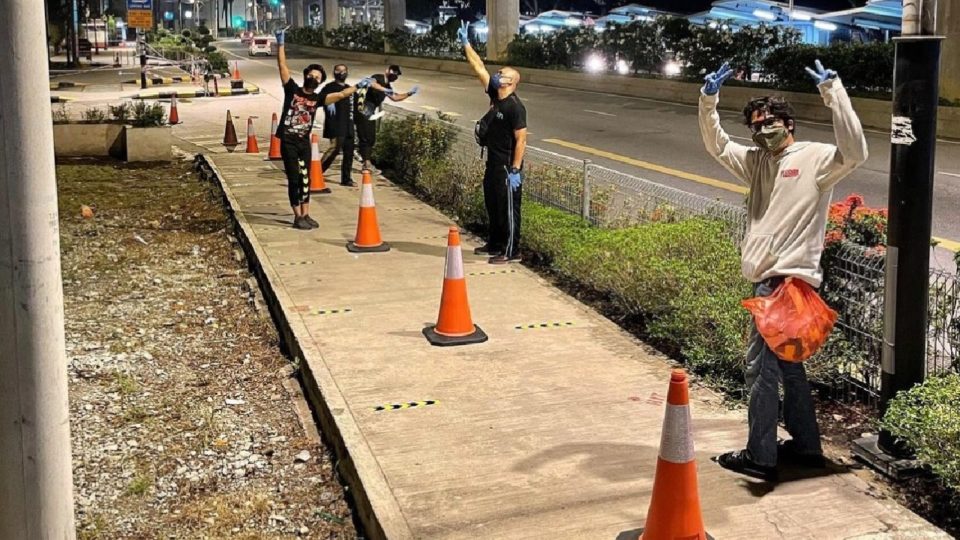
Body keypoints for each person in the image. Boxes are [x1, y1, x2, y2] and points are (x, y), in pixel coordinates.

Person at [698, 60, 868, 482]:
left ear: (788, 123)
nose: (762, 129)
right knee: (790, 369)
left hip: (783, 284)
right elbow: (718, 146)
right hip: (772, 281)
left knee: (761, 371)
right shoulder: (756, 161)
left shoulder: (814, 158)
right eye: (756, 125)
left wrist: (835, 92)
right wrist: (708, 101)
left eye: (769, 121)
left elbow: (856, 152)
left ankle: (760, 456)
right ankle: (808, 447)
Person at [274, 30, 366, 230]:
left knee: (306, 178)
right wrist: (280, 43)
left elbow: (341, 94)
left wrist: (359, 86)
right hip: (288, 141)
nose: (313, 78)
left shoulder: (318, 99)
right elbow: (282, 66)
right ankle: (297, 216)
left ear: (320, 82)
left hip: (303, 143)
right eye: (311, 74)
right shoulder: (292, 90)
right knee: (294, 178)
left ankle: (306, 214)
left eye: (317, 77)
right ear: (306, 75)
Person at [460, 21, 528, 264]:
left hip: (508, 167)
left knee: (509, 210)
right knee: (493, 206)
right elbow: (479, 68)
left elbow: (521, 139)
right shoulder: (496, 96)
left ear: (511, 82)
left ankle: (511, 251)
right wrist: (466, 44)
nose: (497, 76)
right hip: (493, 163)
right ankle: (495, 243)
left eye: (502, 75)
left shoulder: (514, 107)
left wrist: (516, 169)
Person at [354, 64, 420, 171]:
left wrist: (409, 93)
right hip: (363, 108)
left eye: (397, 74)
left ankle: (364, 159)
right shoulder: (378, 77)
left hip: (370, 111)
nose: (395, 75)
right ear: (387, 70)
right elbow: (372, 84)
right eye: (394, 72)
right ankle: (366, 163)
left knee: (370, 137)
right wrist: (384, 89)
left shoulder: (388, 86)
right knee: (367, 137)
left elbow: (395, 97)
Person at [319, 64, 364, 187]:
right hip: (336, 124)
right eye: (338, 71)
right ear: (334, 72)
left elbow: (356, 107)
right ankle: (316, 173)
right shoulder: (329, 87)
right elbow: (322, 100)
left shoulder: (350, 89)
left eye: (344, 71)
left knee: (349, 152)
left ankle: (346, 178)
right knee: (334, 148)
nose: (341, 73)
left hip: (349, 125)